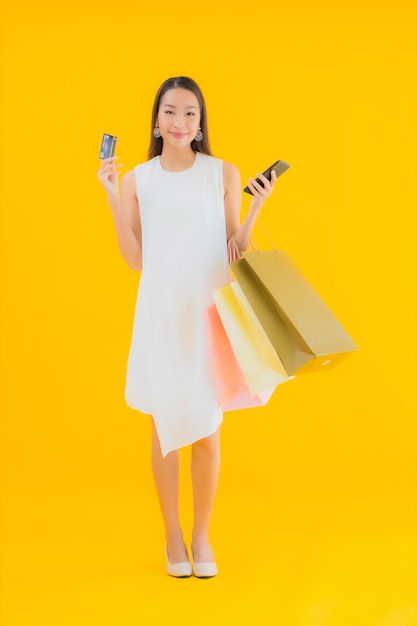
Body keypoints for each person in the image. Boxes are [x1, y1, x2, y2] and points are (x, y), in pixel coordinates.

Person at [97, 76, 276, 578]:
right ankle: (172, 535)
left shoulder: (221, 174)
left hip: (206, 316)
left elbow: (232, 248)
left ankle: (201, 534)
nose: (180, 122)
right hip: (160, 316)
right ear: (156, 120)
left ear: (201, 125)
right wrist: (112, 195)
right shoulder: (138, 180)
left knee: (208, 433)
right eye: (171, 112)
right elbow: (135, 259)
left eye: (191, 114)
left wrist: (257, 205)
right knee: (164, 429)